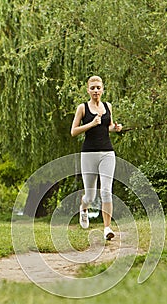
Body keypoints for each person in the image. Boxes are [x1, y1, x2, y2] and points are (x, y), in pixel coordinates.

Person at [71, 75, 122, 240]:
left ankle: (107, 228)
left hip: (107, 152)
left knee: (106, 191)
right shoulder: (83, 108)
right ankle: (83, 208)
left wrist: (116, 127)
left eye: (98, 87)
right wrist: (91, 124)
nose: (95, 90)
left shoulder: (108, 106)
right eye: (92, 88)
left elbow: (108, 126)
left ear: (102, 89)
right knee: (90, 196)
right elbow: (73, 131)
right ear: (88, 90)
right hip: (88, 154)